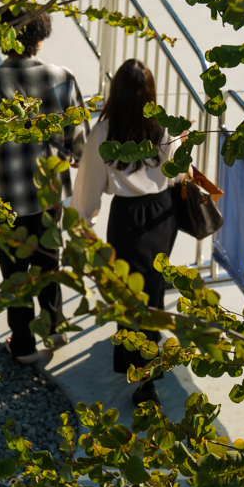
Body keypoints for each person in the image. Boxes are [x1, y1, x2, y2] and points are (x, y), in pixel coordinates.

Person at [0, 9, 86, 366]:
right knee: (49, 261)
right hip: (48, 192)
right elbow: (78, 139)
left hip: (2, 194)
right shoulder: (62, 78)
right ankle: (54, 327)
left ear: (3, 38)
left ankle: (23, 344)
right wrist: (73, 154)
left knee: (14, 272)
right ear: (41, 39)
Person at [72, 57, 180, 409]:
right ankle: (148, 362)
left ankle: (143, 377)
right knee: (153, 287)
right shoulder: (162, 127)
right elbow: (178, 172)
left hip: (127, 218)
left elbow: (88, 189)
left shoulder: (105, 132)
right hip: (163, 213)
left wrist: (83, 227)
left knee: (130, 295)